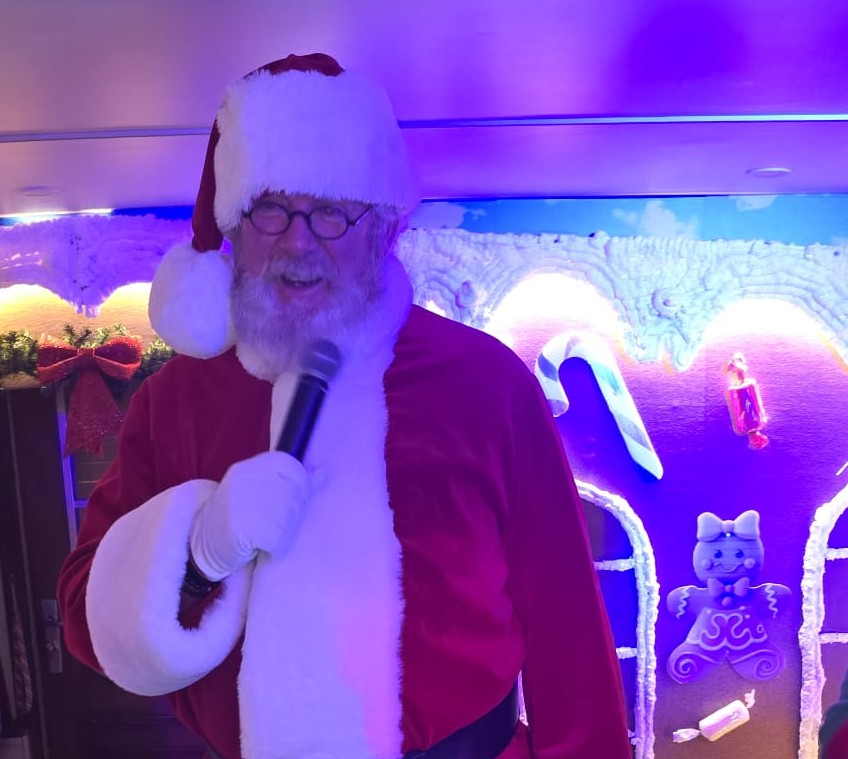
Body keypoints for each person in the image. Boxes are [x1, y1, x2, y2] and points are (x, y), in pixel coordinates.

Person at [56, 53, 631, 759]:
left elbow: (565, 620)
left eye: (332, 211)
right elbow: (82, 616)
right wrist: (199, 548)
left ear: (383, 227)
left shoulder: (486, 384)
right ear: (235, 226)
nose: (299, 241)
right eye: (270, 207)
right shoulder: (173, 402)